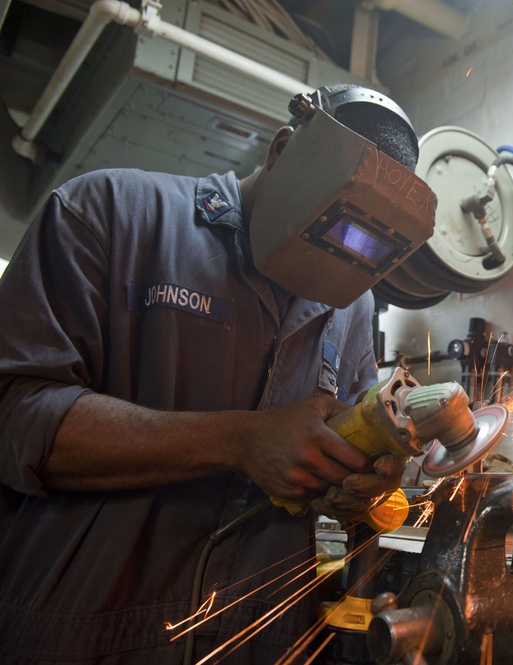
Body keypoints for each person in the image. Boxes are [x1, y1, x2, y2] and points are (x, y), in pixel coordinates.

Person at [0, 83, 434, 664]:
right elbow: (14, 414)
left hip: (257, 645)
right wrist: (241, 441)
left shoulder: (351, 306)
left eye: (363, 249)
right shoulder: (110, 213)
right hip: (82, 635)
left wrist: (360, 482)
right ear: (282, 149)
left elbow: (334, 477)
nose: (338, 265)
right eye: (332, 226)